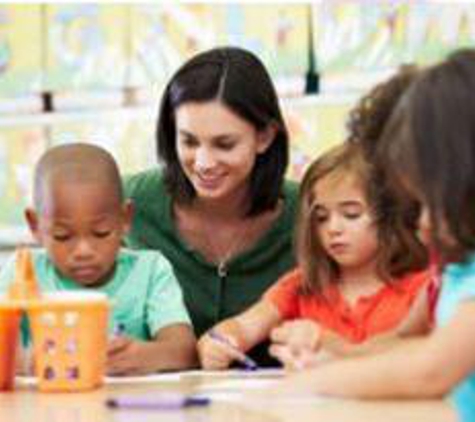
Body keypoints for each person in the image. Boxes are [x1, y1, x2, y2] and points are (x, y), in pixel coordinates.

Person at [273, 49, 475, 419]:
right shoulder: (456, 273)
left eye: (429, 204)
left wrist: (318, 381)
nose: (422, 224)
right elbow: (409, 343)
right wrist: (329, 361)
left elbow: (431, 369)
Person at [124, 47, 299, 366]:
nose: (203, 163)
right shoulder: (125, 204)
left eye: (224, 144)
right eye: (189, 141)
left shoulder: (312, 212)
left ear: (265, 137)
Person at [197, 142, 432, 370]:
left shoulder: (423, 286)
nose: (333, 228)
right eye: (321, 218)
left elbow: (422, 354)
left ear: (391, 216)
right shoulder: (301, 284)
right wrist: (219, 342)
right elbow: (243, 327)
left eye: (351, 214)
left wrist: (327, 343)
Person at [0, 143, 197, 376]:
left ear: (125, 218)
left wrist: (143, 356)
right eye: (62, 236)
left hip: (128, 409)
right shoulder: (23, 271)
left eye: (101, 233)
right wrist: (29, 361)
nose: (84, 251)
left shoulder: (151, 271)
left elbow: (185, 352)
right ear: (35, 226)